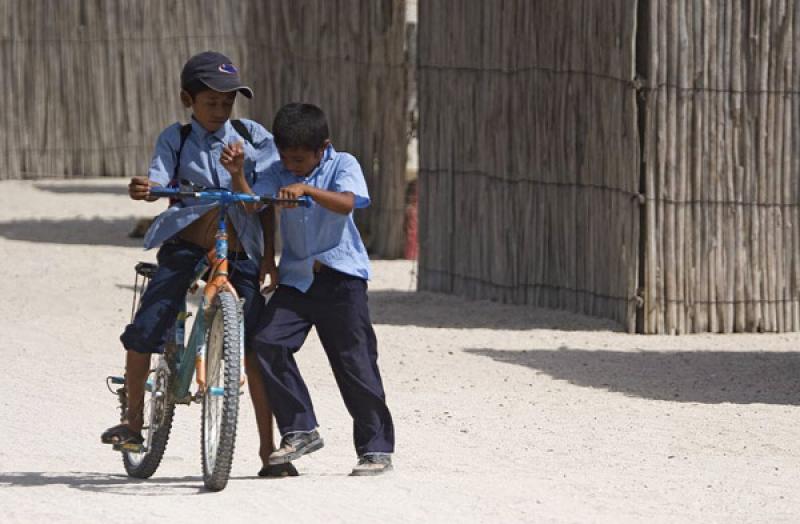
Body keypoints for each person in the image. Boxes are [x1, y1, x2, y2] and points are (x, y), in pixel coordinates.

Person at [100, 51, 297, 478]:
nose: (220, 111)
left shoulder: (252, 136)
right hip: (187, 240)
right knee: (147, 327)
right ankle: (133, 423)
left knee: (254, 345)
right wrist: (146, 188)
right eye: (211, 103)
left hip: (238, 245)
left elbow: (260, 202)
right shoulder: (176, 137)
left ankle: (269, 453)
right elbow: (158, 181)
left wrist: (240, 176)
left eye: (227, 103)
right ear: (188, 99)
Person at [225, 102, 395, 476]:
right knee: (268, 341)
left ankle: (376, 450)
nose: (292, 165)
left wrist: (307, 189)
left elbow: (348, 203)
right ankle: (300, 429)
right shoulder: (278, 170)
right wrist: (239, 175)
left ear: (324, 148)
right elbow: (254, 205)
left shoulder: (344, 165)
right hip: (297, 280)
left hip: (341, 279)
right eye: (286, 157)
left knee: (355, 364)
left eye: (300, 159)